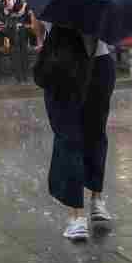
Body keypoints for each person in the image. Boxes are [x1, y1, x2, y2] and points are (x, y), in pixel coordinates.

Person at [34, 20, 116, 242]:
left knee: (70, 136)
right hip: (99, 63)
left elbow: (38, 16)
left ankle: (76, 216)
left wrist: (41, 40)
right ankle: (96, 201)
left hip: (64, 62)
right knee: (95, 133)